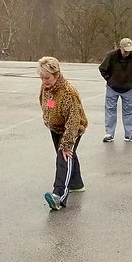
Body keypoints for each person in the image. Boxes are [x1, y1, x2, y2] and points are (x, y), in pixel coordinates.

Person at [36, 57, 88, 211]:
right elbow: (44, 103)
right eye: (42, 78)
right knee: (69, 157)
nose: (44, 81)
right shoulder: (45, 87)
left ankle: (59, 195)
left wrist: (66, 144)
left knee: (63, 157)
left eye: (48, 78)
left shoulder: (67, 92)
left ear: (57, 74)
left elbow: (73, 120)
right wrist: (48, 119)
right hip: (56, 127)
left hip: (72, 129)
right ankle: (77, 184)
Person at [98, 37, 132, 143]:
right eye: (125, 50)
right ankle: (109, 133)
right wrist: (110, 80)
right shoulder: (111, 55)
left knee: (129, 111)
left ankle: (129, 134)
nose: (127, 53)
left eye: (129, 50)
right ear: (120, 47)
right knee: (110, 110)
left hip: (127, 88)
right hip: (112, 88)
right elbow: (102, 69)